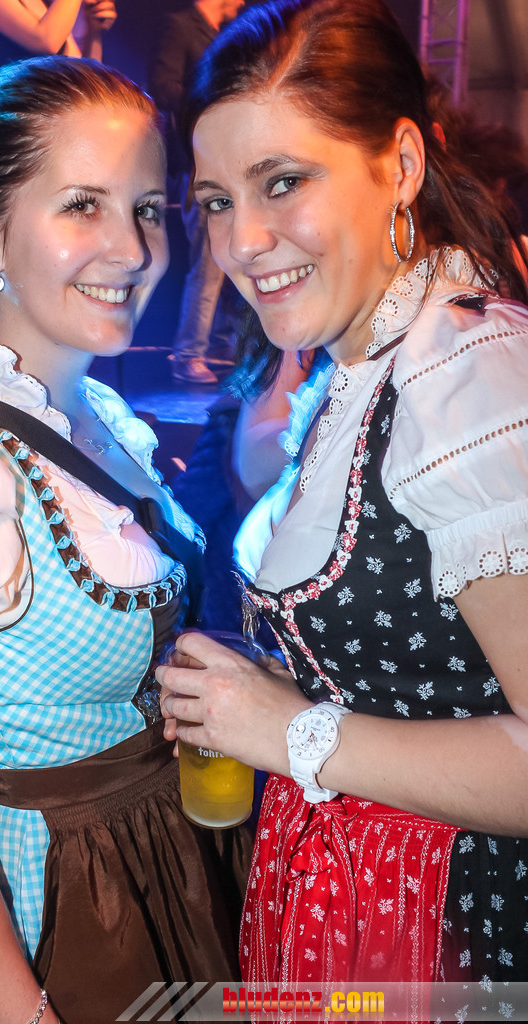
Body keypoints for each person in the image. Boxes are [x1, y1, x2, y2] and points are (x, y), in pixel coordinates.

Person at [0, 57, 250, 1024]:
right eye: (81, 205)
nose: (133, 249)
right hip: (59, 911)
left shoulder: (101, 418)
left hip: (171, 863)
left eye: (147, 209)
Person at [157, 0, 528, 995]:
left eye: (283, 182)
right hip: (354, 904)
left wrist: (287, 730)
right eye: (216, 201)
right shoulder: (364, 356)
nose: (243, 241)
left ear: (399, 164)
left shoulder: (467, 380)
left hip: (450, 933)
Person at [148, 0, 245, 385]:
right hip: (199, 164)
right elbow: (162, 86)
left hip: (225, 161)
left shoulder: (223, 33)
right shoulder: (182, 27)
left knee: (227, 258)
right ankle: (189, 354)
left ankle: (219, 343)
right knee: (208, 265)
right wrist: (214, 99)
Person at [0, 0, 117, 79]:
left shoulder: (45, 4)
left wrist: (94, 33)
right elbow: (46, 40)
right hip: (21, 131)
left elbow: (85, 76)